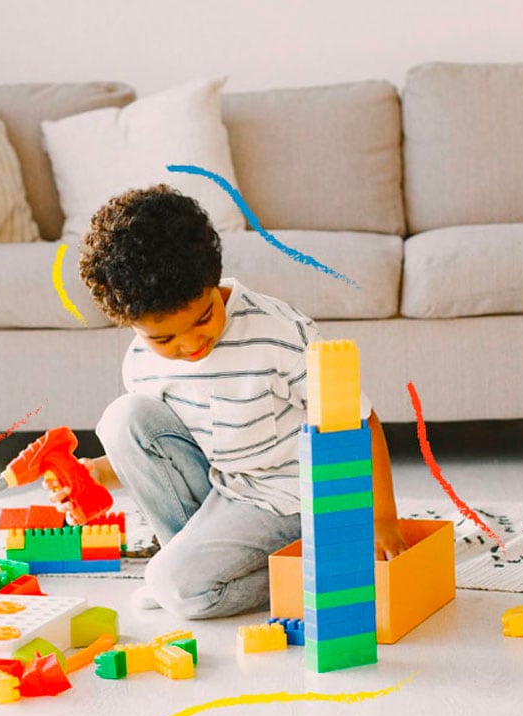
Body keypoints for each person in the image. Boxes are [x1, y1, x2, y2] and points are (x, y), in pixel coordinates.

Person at [48, 184, 405, 619]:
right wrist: (99, 472)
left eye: (203, 318)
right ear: (130, 325)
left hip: (290, 501)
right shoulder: (142, 361)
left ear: (213, 282)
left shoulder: (276, 333)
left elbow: (358, 420)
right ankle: (188, 565)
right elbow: (173, 450)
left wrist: (381, 518)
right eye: (164, 338)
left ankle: (286, 567)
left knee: (181, 590)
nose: (191, 344)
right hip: (226, 488)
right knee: (123, 417)